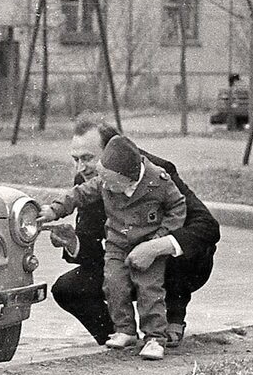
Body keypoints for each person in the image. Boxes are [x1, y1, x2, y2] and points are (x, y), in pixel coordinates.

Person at [46, 116, 220, 350]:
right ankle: (120, 337)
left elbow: (206, 226)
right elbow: (94, 252)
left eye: (87, 158)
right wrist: (73, 242)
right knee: (68, 289)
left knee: (186, 243)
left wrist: (154, 247)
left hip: (168, 263)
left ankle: (173, 319)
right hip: (125, 256)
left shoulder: (158, 173)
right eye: (75, 159)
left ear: (112, 151)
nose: (80, 168)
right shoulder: (89, 180)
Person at [40, 134, 186, 360]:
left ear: (129, 178)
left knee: (150, 290)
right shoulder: (106, 180)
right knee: (114, 284)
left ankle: (155, 337)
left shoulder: (158, 180)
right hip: (117, 244)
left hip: (147, 245)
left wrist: (160, 238)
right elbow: (79, 194)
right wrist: (54, 210)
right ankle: (125, 330)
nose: (104, 185)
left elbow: (178, 207)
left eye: (109, 182)